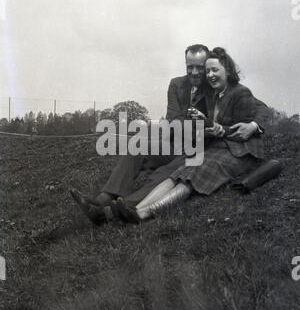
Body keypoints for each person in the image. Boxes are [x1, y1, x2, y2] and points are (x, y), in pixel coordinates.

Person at [70, 45, 270, 224]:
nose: (195, 72)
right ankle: (103, 198)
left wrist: (254, 125)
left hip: (198, 147)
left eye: (200, 67)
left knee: (165, 173)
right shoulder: (177, 84)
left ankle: (113, 211)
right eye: (189, 67)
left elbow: (260, 106)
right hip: (174, 140)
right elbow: (173, 120)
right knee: (137, 145)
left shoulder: (215, 83)